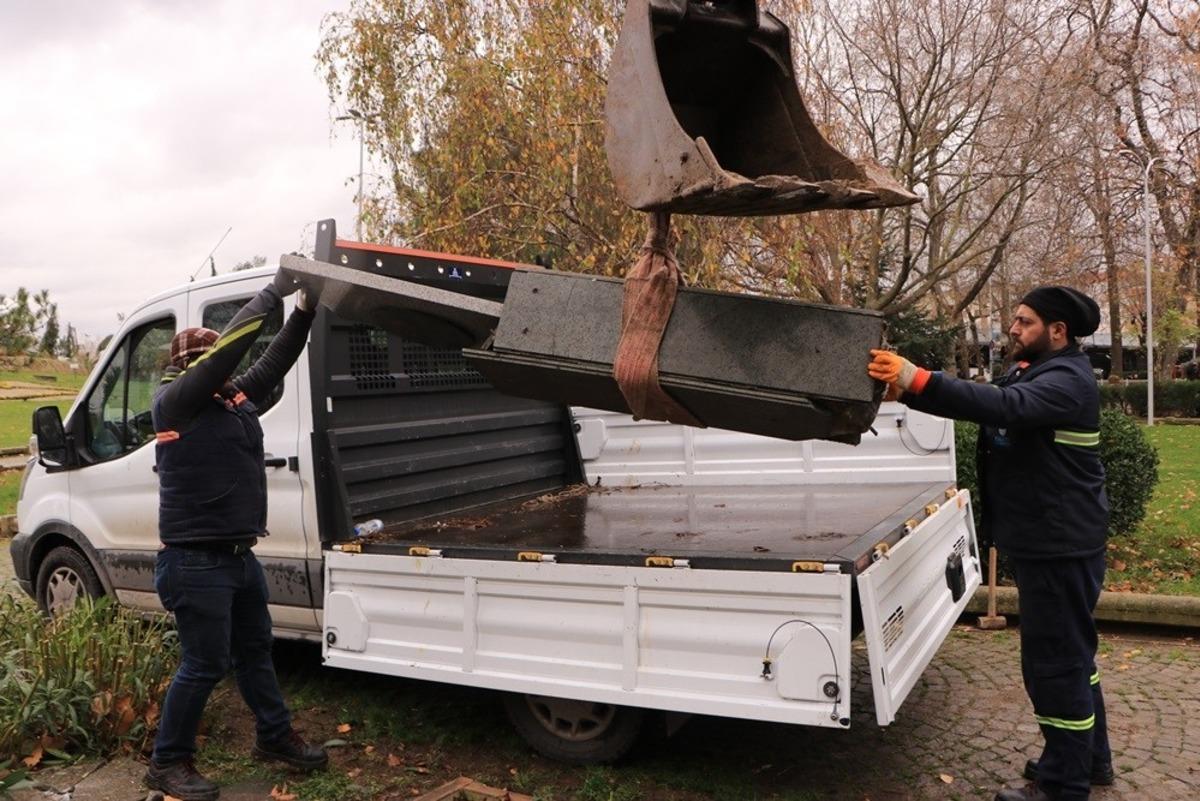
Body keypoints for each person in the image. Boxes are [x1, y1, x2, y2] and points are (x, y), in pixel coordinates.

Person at [867, 286, 1112, 801]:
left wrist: (919, 377)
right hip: (1052, 537)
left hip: (1059, 544)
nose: (1013, 331)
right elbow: (991, 405)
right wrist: (910, 392)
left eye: (1024, 322)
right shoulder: (1038, 370)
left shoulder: (1067, 380)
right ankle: (1087, 761)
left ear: (1058, 331)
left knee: (1053, 663)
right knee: (1072, 655)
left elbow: (1004, 406)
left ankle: (1062, 785)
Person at [145, 269, 327, 801]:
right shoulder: (177, 403)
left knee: (255, 651)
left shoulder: (230, 399)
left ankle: (274, 738)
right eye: (214, 365)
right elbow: (229, 352)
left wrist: (305, 311)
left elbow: (271, 365)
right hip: (194, 561)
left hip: (238, 555)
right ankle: (168, 762)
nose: (230, 373)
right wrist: (273, 291)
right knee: (204, 664)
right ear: (192, 369)